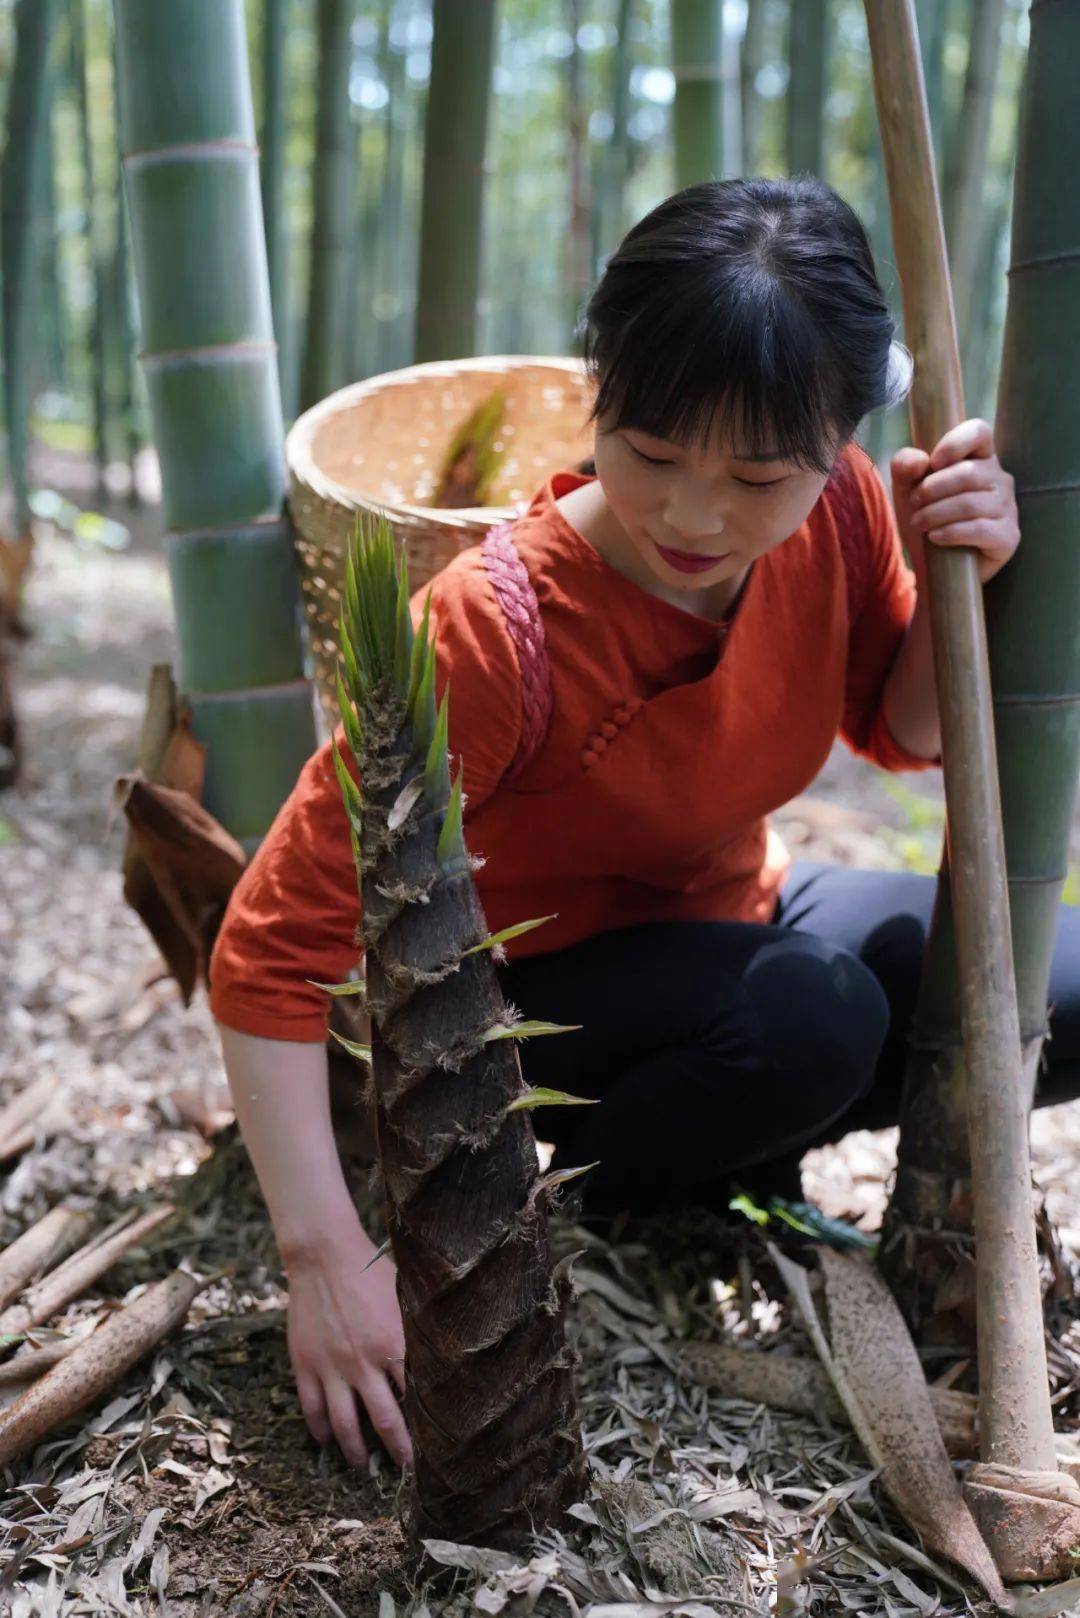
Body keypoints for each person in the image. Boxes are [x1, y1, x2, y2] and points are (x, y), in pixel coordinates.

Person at [207, 176, 1080, 1477]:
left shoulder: (838, 509)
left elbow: (902, 726)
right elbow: (264, 954)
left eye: (754, 476)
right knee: (816, 1019)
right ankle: (619, 1187)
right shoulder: (494, 632)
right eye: (652, 451)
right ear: (597, 393)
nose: (694, 516)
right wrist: (325, 1260)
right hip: (542, 996)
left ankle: (740, 1135)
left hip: (737, 911)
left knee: (1056, 986)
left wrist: (968, 563)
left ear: (838, 440)